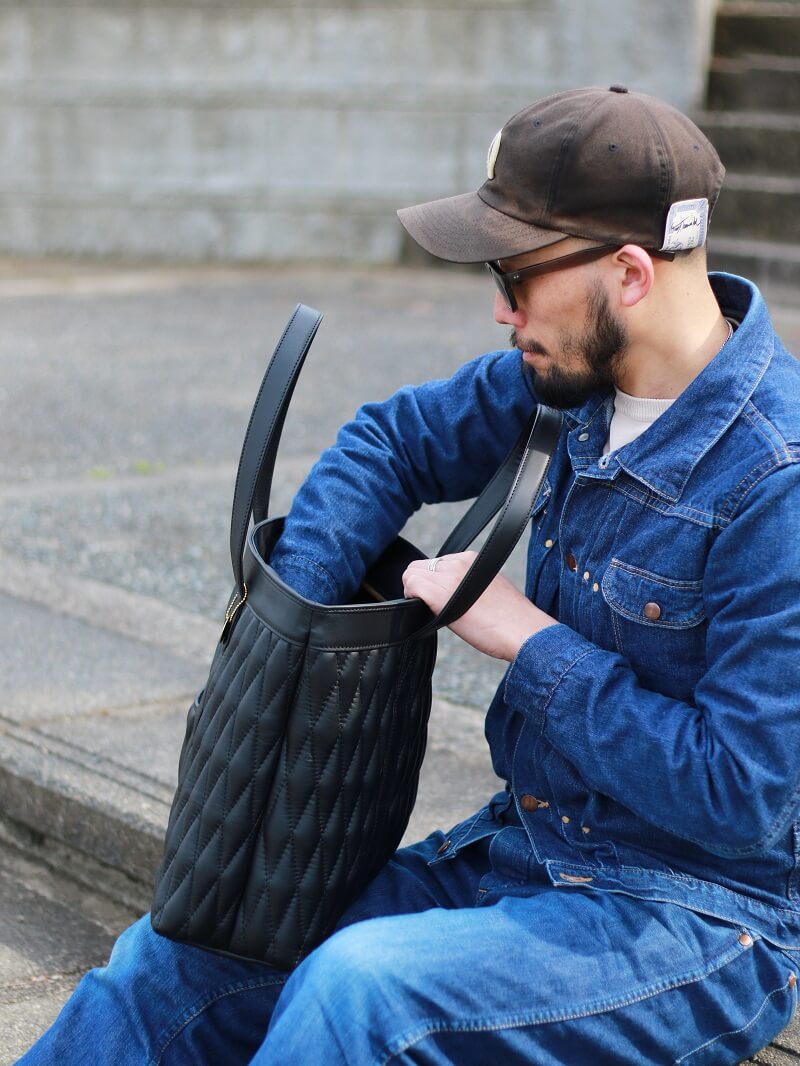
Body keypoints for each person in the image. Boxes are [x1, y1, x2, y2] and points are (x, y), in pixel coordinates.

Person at [20, 85, 800, 1065]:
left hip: (693, 923)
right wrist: (290, 633)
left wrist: (523, 638)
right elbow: (386, 440)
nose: (498, 308)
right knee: (177, 953)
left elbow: (743, 798)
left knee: (360, 993)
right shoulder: (568, 380)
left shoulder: (773, 480)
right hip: (515, 859)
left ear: (629, 274)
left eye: (513, 274)